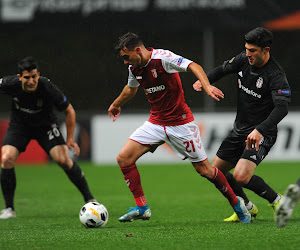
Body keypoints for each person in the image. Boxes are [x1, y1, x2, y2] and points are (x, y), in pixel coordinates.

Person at [108, 32, 251, 223]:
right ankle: (142, 207)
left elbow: (193, 66)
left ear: (137, 50)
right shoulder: (135, 68)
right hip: (156, 123)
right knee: (124, 158)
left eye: (126, 57)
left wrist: (207, 86)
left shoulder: (163, 58)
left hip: (181, 124)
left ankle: (237, 204)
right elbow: (131, 88)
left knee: (206, 171)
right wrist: (116, 104)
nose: (125, 62)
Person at [193, 27, 291, 222]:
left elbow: (282, 109)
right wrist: (205, 82)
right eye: (246, 49)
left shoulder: (275, 75)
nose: (248, 54)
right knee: (216, 173)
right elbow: (222, 70)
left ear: (266, 50)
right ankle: (246, 206)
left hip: (262, 132)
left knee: (240, 176)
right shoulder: (243, 60)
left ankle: (277, 200)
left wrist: (260, 130)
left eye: (253, 50)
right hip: (239, 130)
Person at [0, 57, 96, 219]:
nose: (31, 81)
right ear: (19, 77)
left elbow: (69, 111)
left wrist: (70, 138)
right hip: (19, 126)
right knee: (6, 158)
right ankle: (9, 209)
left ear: (38, 75)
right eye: (27, 77)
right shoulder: (9, 84)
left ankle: (89, 199)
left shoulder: (47, 87)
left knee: (63, 160)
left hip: (45, 126)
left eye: (34, 77)